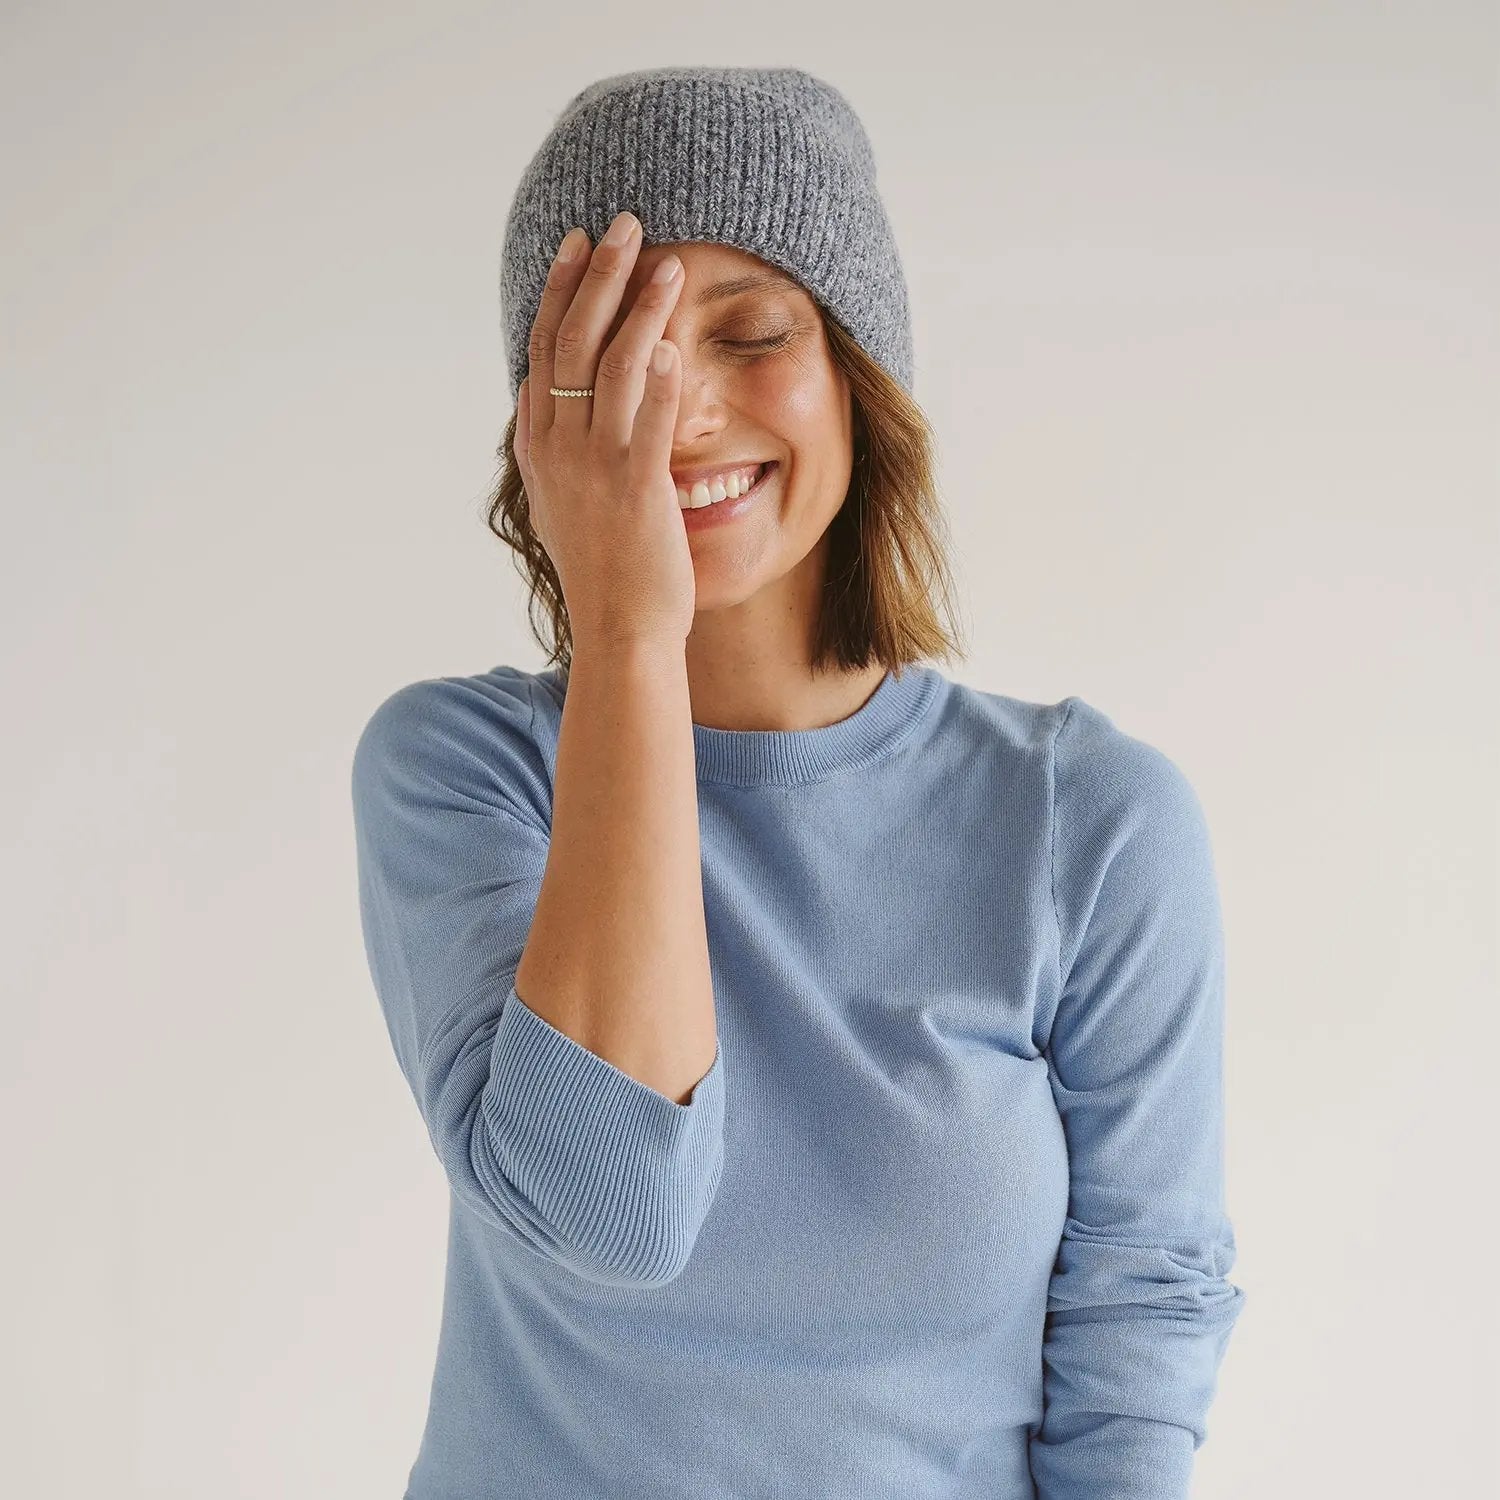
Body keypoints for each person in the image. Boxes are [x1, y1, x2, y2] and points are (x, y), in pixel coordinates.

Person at [350, 64, 1246, 1500]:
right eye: (618, 356)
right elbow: (613, 1211)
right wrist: (630, 637)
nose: (682, 412)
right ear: (544, 420)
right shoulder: (461, 775)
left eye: (751, 333)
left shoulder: (1088, 822)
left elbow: (1140, 1328)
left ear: (857, 375)